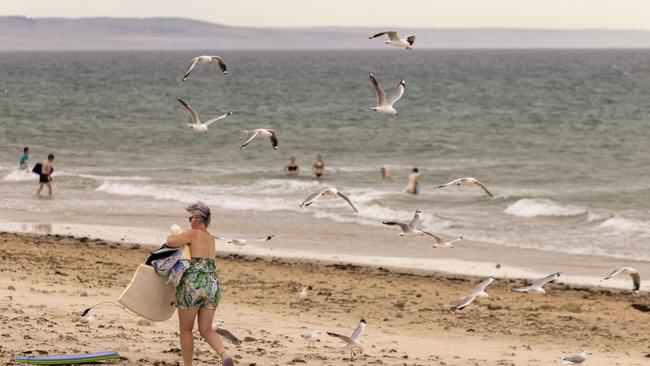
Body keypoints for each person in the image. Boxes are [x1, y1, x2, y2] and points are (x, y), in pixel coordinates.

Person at [166, 202, 234, 366]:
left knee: (186, 330)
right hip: (212, 284)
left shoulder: (192, 233)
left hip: (193, 284)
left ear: (197, 219)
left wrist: (171, 236)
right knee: (206, 329)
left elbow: (171, 242)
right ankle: (224, 355)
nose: (190, 221)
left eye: (191, 217)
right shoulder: (211, 239)